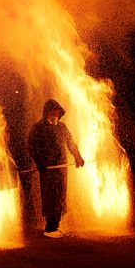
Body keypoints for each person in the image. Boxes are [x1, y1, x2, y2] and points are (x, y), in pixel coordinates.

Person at [28, 99, 85, 238]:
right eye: (52, 112)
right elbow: (31, 146)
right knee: (50, 196)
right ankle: (49, 227)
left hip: (61, 168)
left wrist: (78, 157)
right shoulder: (38, 128)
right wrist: (39, 162)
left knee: (60, 196)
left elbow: (70, 143)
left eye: (57, 112)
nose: (55, 114)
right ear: (46, 112)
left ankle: (56, 225)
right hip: (47, 169)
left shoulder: (62, 127)